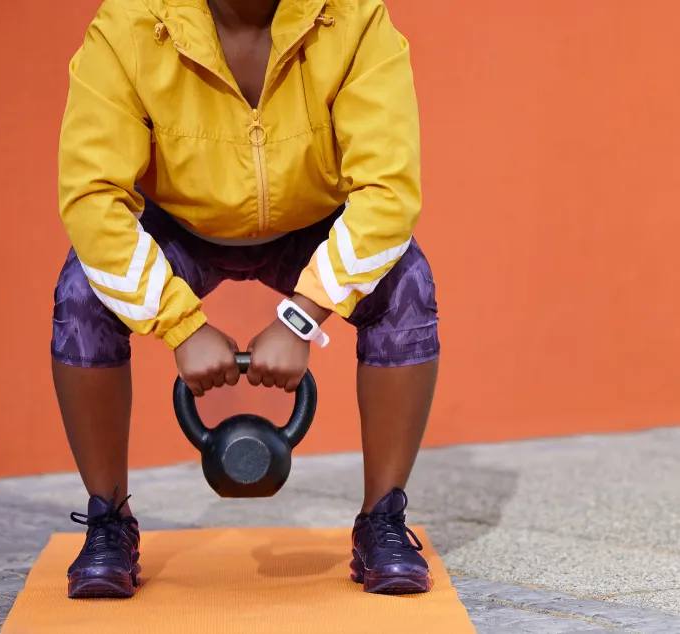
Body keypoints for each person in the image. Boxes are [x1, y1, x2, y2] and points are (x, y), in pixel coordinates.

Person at [52, 0, 440, 598]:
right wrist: (180, 326)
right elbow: (92, 195)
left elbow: (388, 189)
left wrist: (302, 316)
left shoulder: (357, 18)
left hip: (308, 226)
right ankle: (108, 521)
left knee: (406, 283)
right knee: (81, 294)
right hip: (182, 226)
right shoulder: (129, 23)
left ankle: (383, 521)